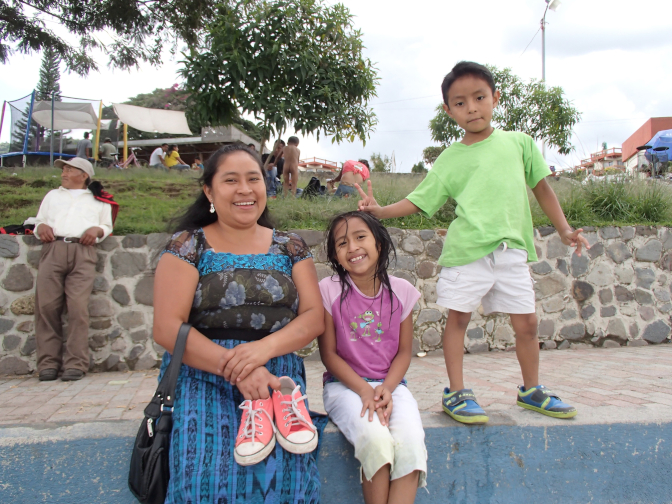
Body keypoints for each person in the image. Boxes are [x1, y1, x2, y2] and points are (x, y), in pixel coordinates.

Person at [357, 61, 588, 425]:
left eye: (480, 98)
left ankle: (532, 390)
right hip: (467, 253)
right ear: (450, 111)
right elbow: (421, 200)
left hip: (511, 252)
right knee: (459, 320)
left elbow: (542, 188)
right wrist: (380, 210)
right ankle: (457, 392)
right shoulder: (450, 158)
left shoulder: (519, 144)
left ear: (495, 98)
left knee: (526, 324)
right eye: (461, 103)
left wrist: (563, 230)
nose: (472, 108)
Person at [152, 144, 326, 502]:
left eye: (254, 179)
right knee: (205, 479)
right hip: (204, 377)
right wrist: (242, 369)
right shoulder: (189, 245)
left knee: (286, 483)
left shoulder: (289, 246)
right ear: (209, 191)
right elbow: (167, 328)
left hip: (277, 381)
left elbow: (314, 317)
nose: (245, 189)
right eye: (231, 180)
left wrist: (263, 350)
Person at [319, 211, 427, 504]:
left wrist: (387, 389)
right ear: (335, 255)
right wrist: (365, 390)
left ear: (379, 242)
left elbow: (405, 352)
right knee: (376, 439)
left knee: (411, 444)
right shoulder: (329, 291)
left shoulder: (402, 292)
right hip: (345, 387)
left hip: (392, 386)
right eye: (342, 243)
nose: (352, 247)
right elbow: (328, 354)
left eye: (360, 237)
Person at [34, 157, 114, 381]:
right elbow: (38, 220)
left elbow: (107, 225)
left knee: (78, 308)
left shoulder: (99, 200)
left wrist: (96, 230)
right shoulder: (52, 196)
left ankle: (76, 364)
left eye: (69, 170)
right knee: (47, 307)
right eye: (64, 169)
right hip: (53, 249)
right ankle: (48, 364)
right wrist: (40, 226)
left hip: (83, 251)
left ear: (84, 175)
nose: (64, 173)